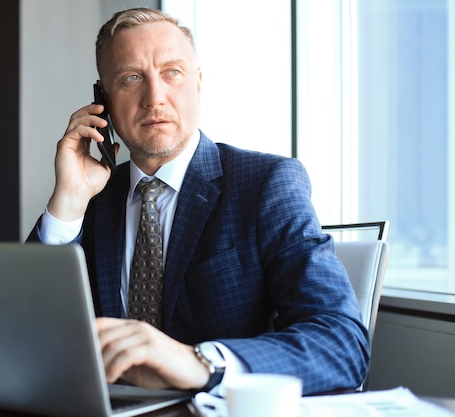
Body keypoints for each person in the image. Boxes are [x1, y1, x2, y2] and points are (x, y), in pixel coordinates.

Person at [27, 7, 369, 396]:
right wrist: (68, 202)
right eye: (132, 77)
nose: (154, 98)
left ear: (199, 83)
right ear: (102, 97)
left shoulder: (266, 184)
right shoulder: (93, 197)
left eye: (173, 72)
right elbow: (23, 330)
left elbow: (342, 344)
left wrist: (200, 362)